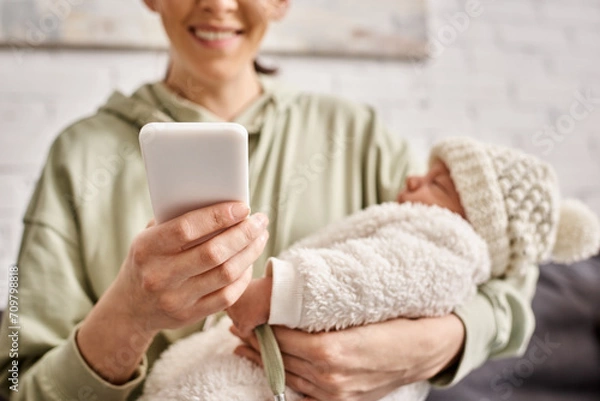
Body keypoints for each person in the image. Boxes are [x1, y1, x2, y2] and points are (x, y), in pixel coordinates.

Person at [0, 1, 544, 400]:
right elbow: (18, 385)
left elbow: (504, 273)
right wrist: (130, 316)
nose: (217, 4)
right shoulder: (77, 158)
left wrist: (439, 342)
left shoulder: (358, 136)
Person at [138, 137, 600, 401]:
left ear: (473, 221)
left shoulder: (446, 242)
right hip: (261, 355)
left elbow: (367, 276)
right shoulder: (420, 223)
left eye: (437, 182)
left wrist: (277, 291)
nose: (412, 179)